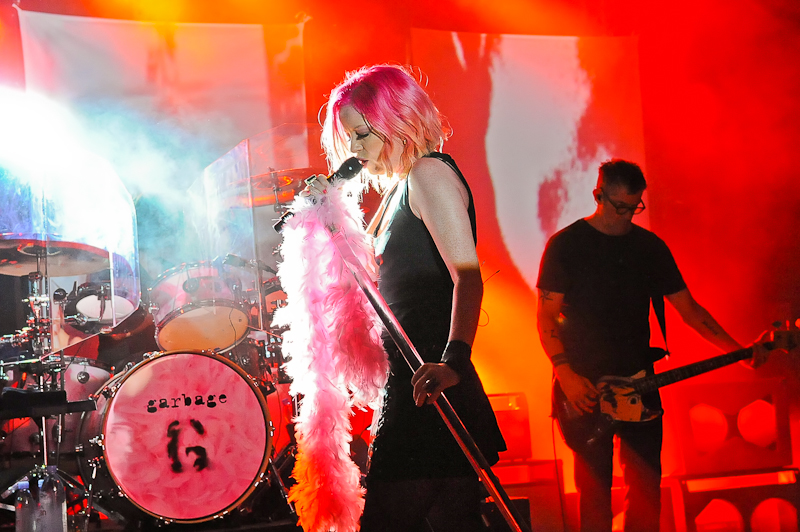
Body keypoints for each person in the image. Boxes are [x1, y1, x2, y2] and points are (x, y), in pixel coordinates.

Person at [309, 64, 506, 532]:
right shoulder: (400, 188)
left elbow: (468, 278)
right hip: (416, 381)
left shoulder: (428, 174)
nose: (355, 150)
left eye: (362, 135)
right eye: (350, 139)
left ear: (395, 119)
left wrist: (454, 360)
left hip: (430, 381)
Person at [536, 159, 767, 532]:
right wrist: (566, 374)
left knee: (645, 492)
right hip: (584, 388)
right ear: (599, 195)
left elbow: (690, 311)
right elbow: (546, 317)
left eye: (635, 207)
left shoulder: (649, 248)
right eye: (620, 207)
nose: (627, 216)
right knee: (594, 494)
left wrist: (737, 350)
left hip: (639, 383)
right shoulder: (566, 245)